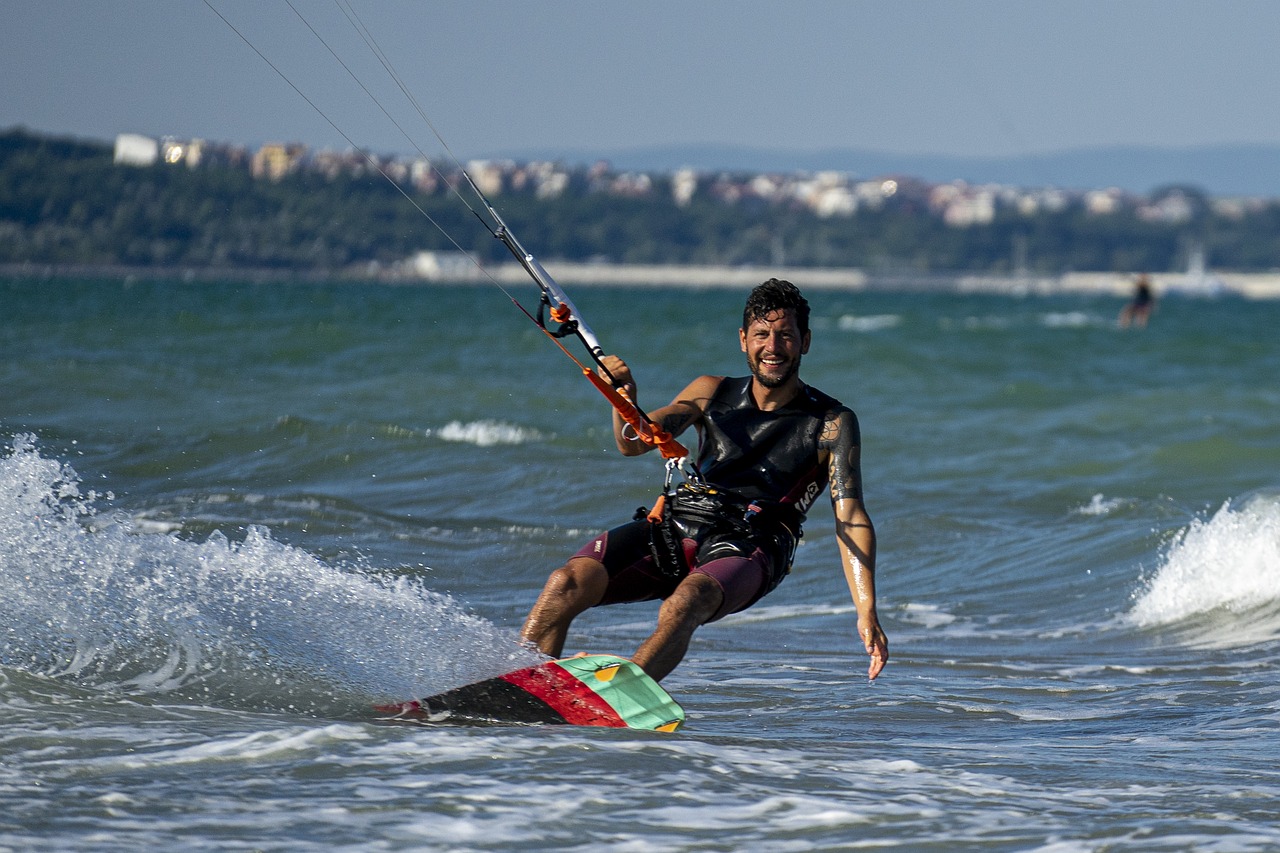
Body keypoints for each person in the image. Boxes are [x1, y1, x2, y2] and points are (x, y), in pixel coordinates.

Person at [520, 278, 888, 683]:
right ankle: (524, 684)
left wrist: (866, 609)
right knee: (565, 583)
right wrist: (622, 397)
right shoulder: (710, 392)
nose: (773, 346)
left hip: (753, 545)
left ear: (805, 342)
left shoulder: (832, 422)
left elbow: (850, 516)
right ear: (743, 339)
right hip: (679, 524)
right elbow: (635, 441)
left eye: (786, 335)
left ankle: (621, 696)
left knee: (684, 603)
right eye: (762, 334)